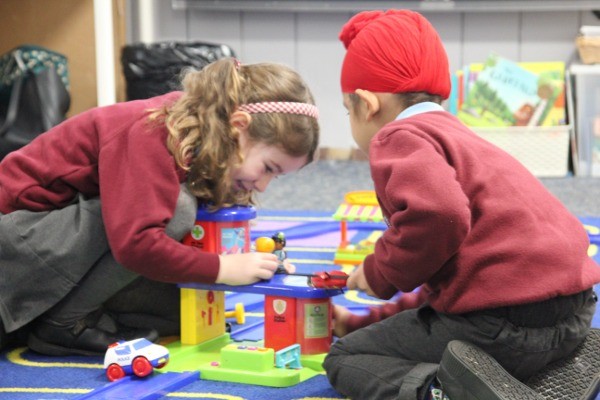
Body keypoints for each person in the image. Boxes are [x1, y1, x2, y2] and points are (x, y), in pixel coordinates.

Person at [322, 9, 600, 400]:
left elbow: (441, 215)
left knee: (345, 358)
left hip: (501, 329)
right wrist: (367, 321)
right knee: (459, 330)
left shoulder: (397, 138)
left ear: (366, 105)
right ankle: (561, 367)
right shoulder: (465, 139)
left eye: (347, 111)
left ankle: (448, 391)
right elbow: (454, 284)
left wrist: (379, 271)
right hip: (574, 317)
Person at [0, 58, 319, 357]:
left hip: (52, 246)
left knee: (184, 313)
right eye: (268, 168)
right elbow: (136, 245)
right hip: (16, 246)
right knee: (178, 208)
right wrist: (223, 269)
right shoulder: (152, 129)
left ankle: (68, 313)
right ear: (239, 125)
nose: (263, 186)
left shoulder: (199, 137)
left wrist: (255, 265)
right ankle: (61, 325)